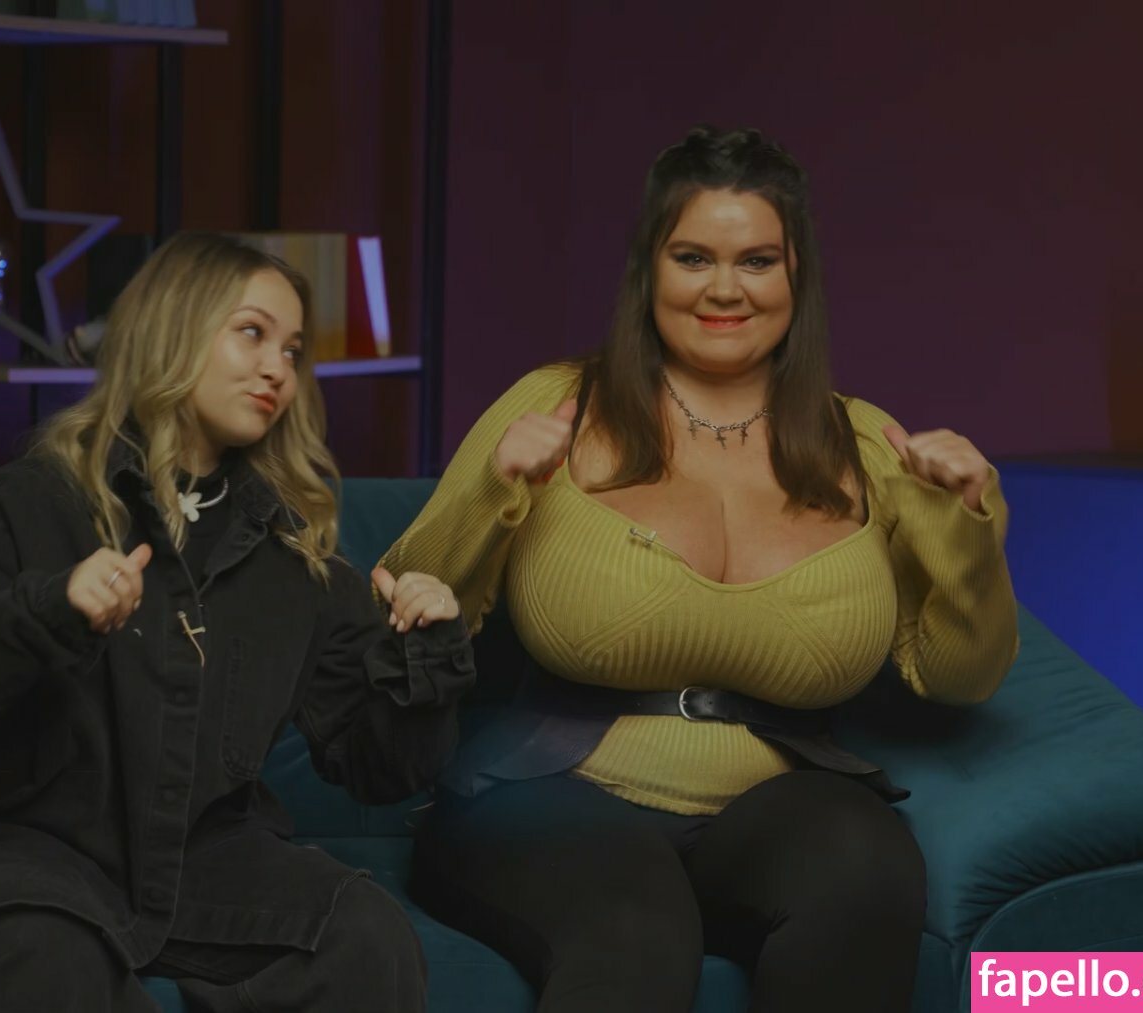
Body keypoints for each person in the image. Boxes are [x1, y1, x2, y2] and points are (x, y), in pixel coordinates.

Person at [379, 127, 1019, 1012]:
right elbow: (405, 601)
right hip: (551, 793)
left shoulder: (872, 444)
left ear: (796, 276)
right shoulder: (557, 404)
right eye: (692, 257)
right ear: (649, 269)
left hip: (771, 802)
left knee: (868, 870)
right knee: (638, 932)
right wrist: (496, 487)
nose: (724, 288)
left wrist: (969, 525)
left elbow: (960, 677)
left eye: (756, 260)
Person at [0, 231, 474, 1012]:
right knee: (59, 968)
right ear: (172, 330)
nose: (277, 369)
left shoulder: (296, 559)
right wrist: (49, 610)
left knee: (364, 935)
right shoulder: (30, 499)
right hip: (16, 852)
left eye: (292, 351)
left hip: (202, 864)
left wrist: (425, 650)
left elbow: (379, 767)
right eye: (252, 333)